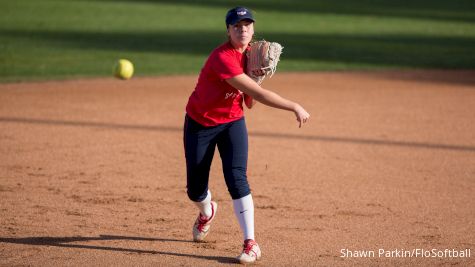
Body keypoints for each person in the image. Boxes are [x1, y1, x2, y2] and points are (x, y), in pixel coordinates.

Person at [183, 6, 310, 264]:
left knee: (237, 178)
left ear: (253, 29)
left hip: (232, 123)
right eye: (237, 26)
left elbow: (249, 101)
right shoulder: (223, 58)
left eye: (248, 25)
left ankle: (250, 243)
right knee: (195, 190)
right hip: (201, 123)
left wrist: (257, 76)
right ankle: (207, 211)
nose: (243, 30)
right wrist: (293, 106)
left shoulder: (251, 55)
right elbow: (261, 97)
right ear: (228, 31)